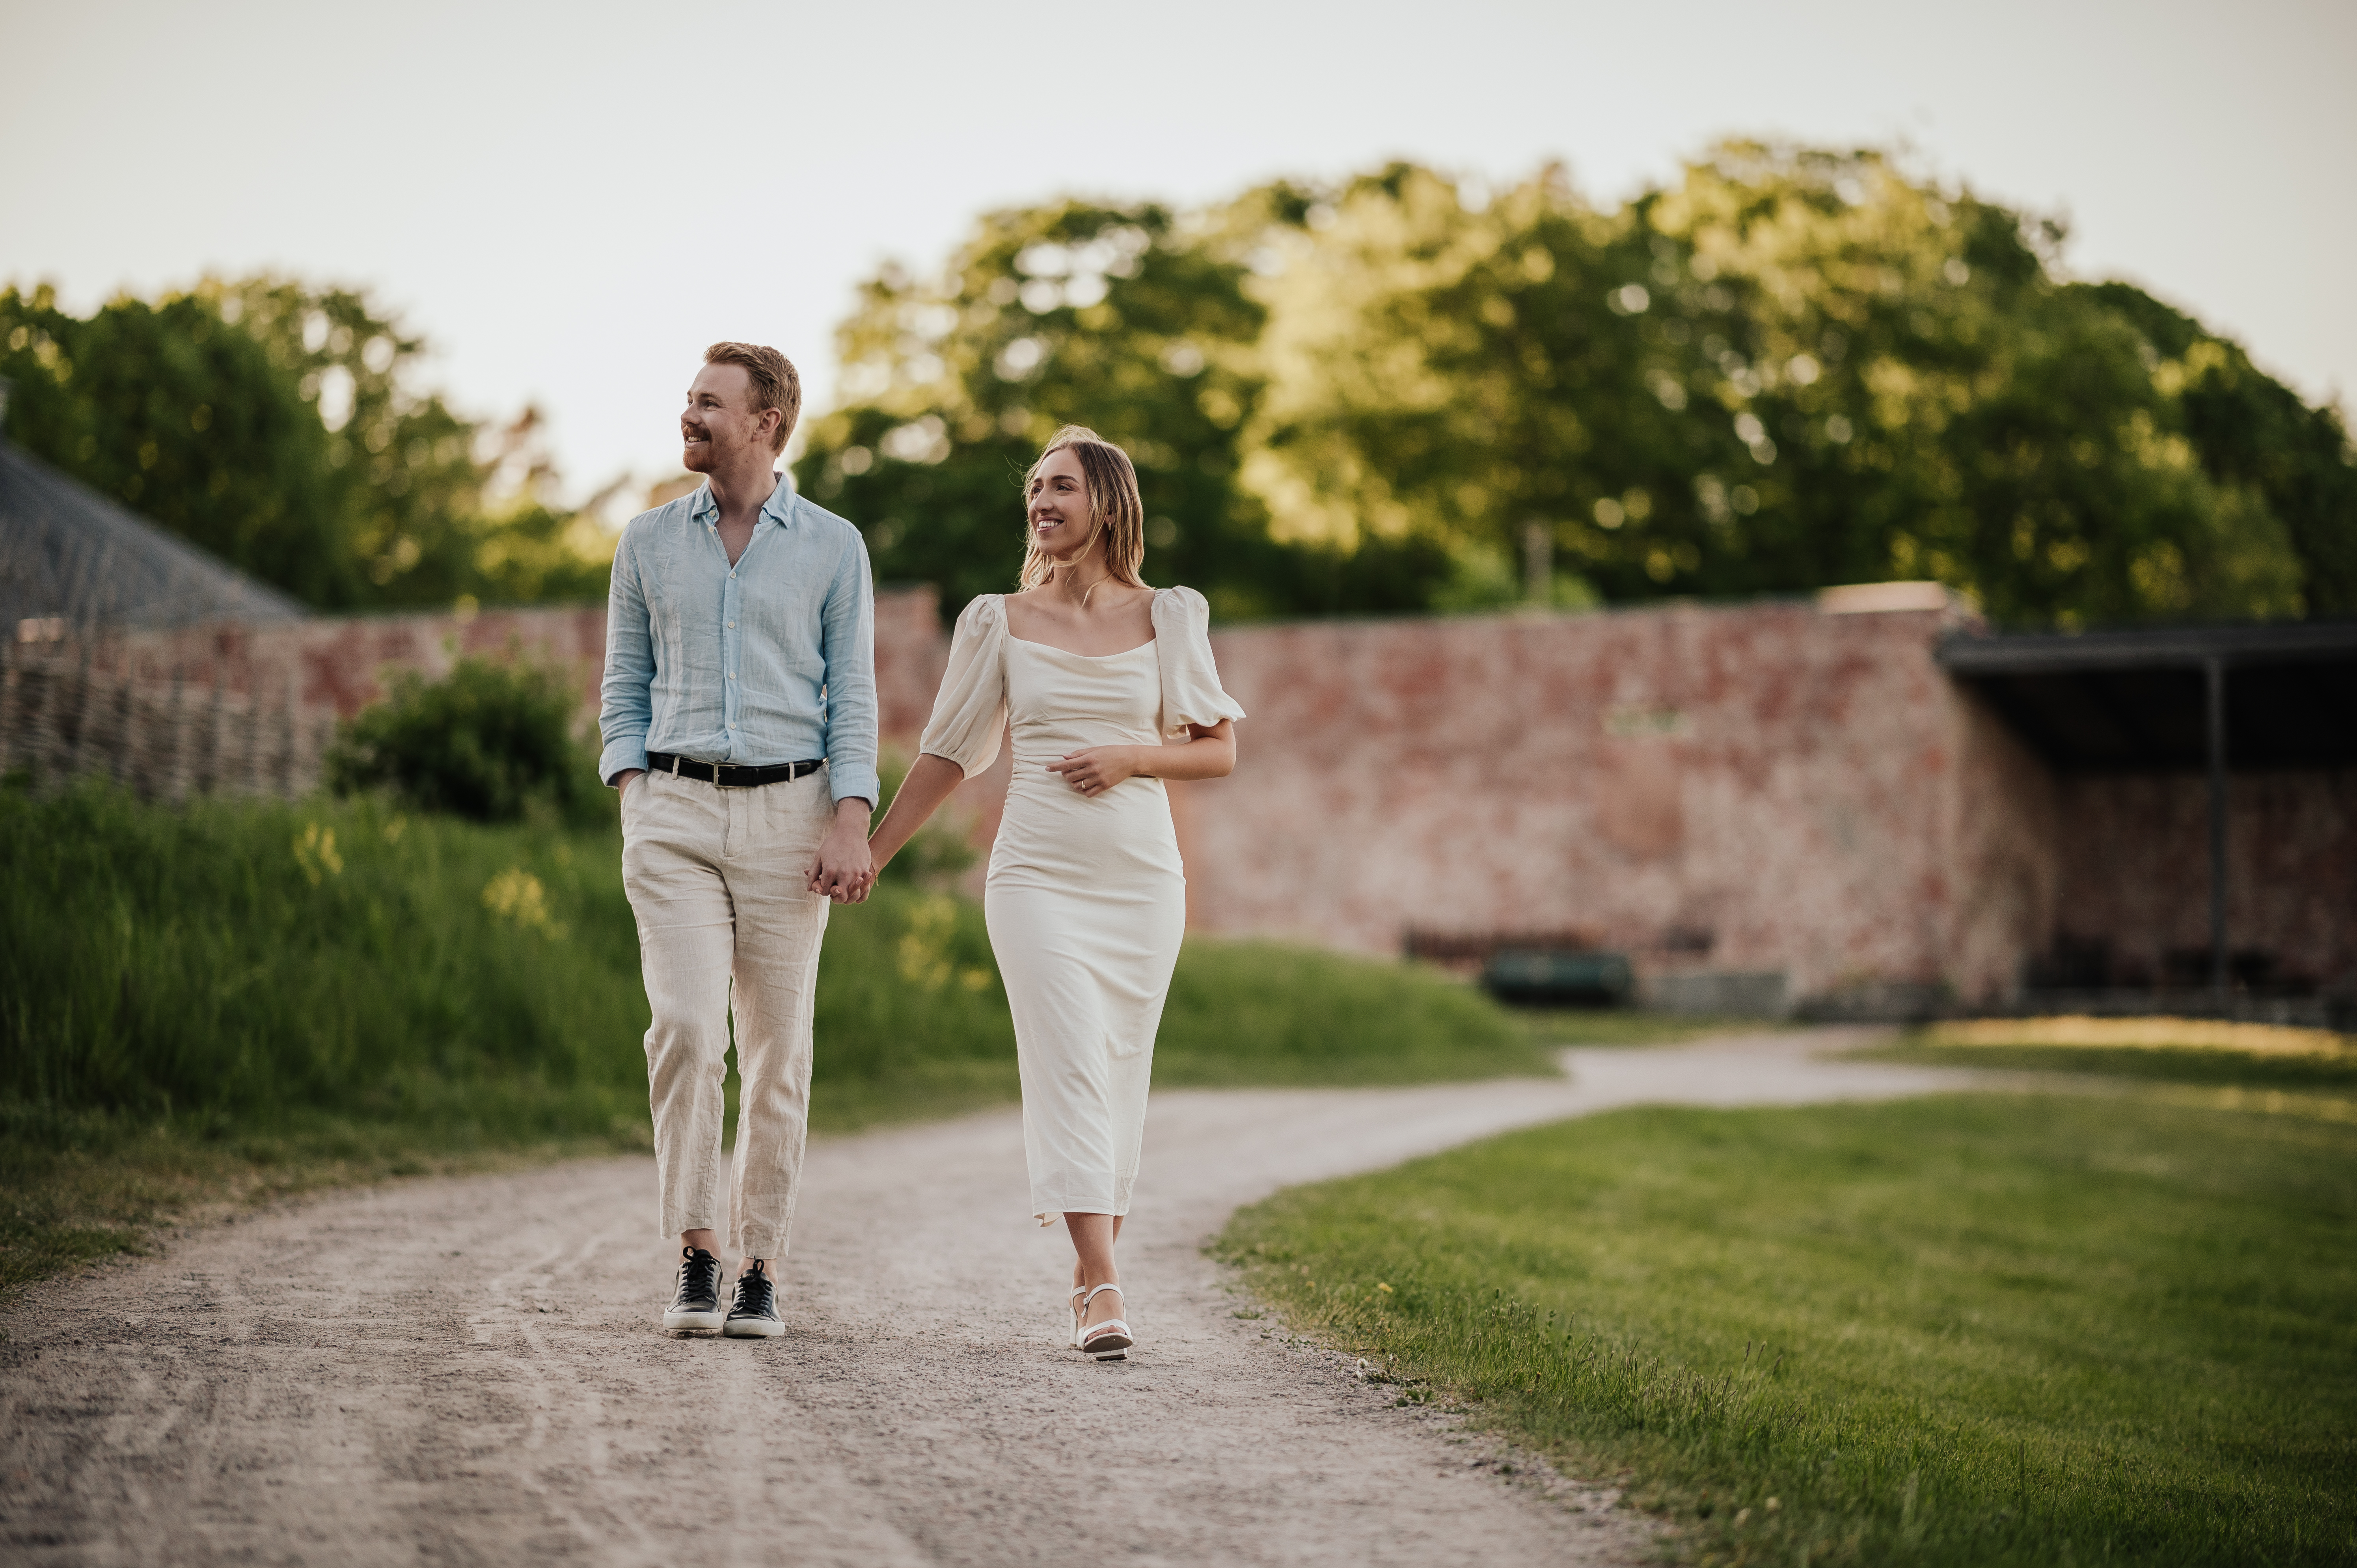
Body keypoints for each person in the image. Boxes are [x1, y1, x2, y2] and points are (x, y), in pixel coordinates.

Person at [866, 425, 1243, 1360]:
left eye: (1061, 485)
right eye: (1034, 488)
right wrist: (872, 853)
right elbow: (950, 752)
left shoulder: (1172, 615)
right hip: (1035, 874)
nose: (1040, 501)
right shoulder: (996, 618)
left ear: (1107, 501)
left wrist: (1129, 756)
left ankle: (1087, 1270)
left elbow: (1218, 749)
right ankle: (1105, 1282)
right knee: (1071, 1055)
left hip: (1140, 879)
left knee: (1117, 1066)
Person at [598, 342, 879, 1341]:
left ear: (766, 423)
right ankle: (694, 1249)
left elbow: (853, 695)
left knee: (775, 1053)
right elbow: (621, 686)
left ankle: (760, 1264)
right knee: (682, 1028)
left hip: (790, 820)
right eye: (687, 401)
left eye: (709, 404)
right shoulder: (644, 542)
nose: (689, 416)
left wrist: (851, 818)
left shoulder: (833, 546)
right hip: (671, 813)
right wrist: (633, 785)